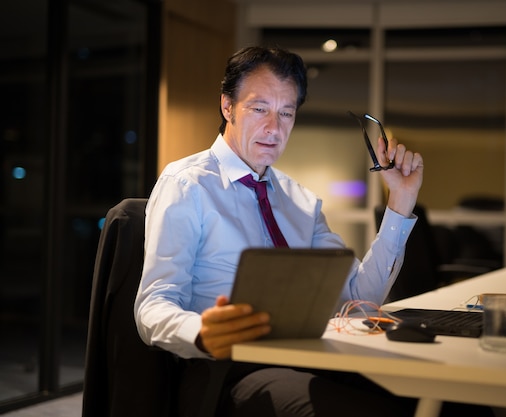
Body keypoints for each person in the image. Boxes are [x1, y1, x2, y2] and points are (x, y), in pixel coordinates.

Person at [134, 46, 486, 417]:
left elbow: (357, 299)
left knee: (456, 400)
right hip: (226, 371)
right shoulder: (187, 184)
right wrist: (201, 330)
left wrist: (400, 200)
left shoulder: (300, 201)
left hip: (312, 355)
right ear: (227, 107)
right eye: (259, 109)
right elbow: (152, 307)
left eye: (287, 113)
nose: (274, 127)